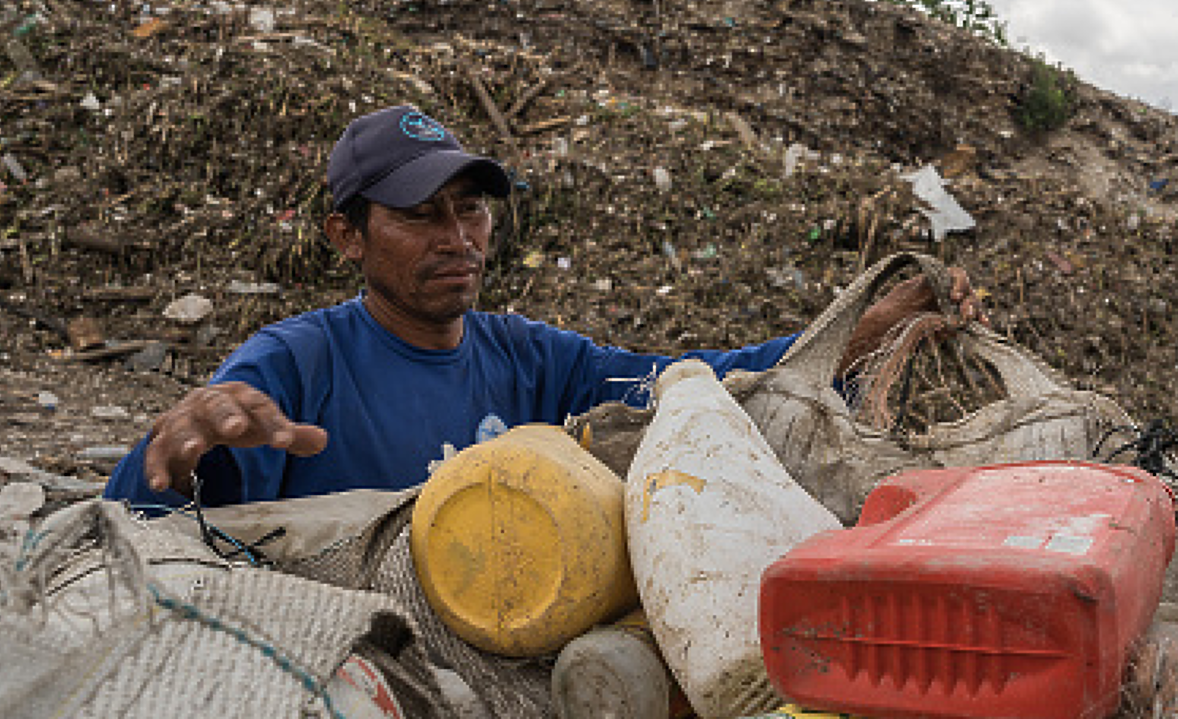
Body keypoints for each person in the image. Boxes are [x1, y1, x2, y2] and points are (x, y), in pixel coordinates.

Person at [103, 105, 984, 511]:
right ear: (346, 235)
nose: (458, 236)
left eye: (472, 208)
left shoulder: (531, 360)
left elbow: (688, 381)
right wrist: (182, 449)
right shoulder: (297, 365)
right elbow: (152, 515)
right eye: (419, 215)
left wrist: (860, 329)